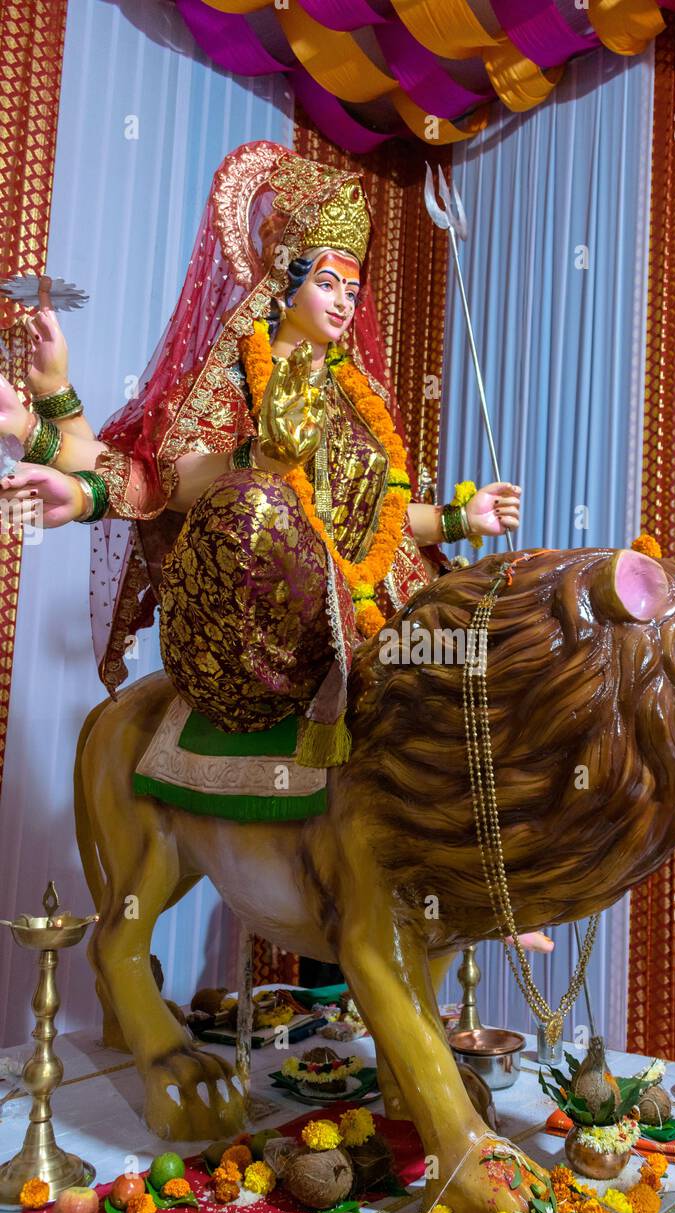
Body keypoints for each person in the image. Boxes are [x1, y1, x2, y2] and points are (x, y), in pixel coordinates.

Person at [0, 142, 521, 764]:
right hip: (283, 606)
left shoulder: (362, 397)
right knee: (258, 502)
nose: (342, 303)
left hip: (383, 595)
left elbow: (376, 518)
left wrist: (462, 520)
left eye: (352, 291)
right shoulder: (239, 378)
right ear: (286, 281)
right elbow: (171, 481)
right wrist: (258, 457)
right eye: (327, 282)